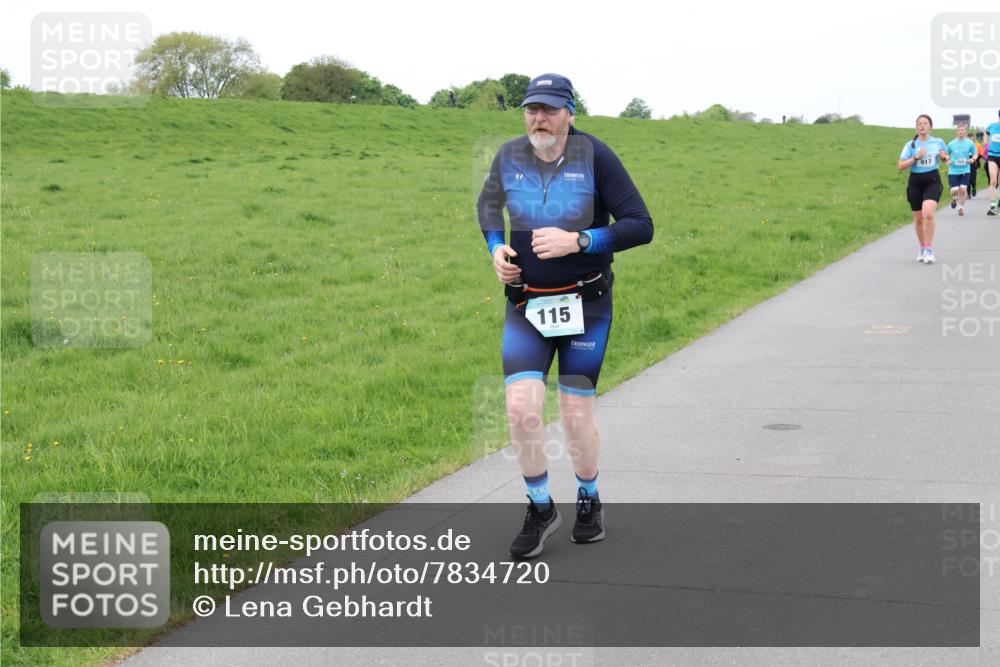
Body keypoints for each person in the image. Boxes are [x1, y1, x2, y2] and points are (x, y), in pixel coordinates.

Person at [477, 73, 653, 558]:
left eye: (550, 109)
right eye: (532, 109)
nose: (540, 118)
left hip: (586, 305)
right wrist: (497, 248)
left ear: (569, 114)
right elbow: (488, 206)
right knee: (520, 409)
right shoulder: (510, 155)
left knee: (575, 415)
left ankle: (589, 498)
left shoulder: (596, 156)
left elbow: (641, 225)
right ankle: (539, 506)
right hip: (527, 304)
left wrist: (580, 240)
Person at [898, 114, 948, 264]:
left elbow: (946, 158)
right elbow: (900, 166)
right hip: (915, 182)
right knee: (919, 219)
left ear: (930, 127)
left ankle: (929, 249)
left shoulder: (938, 142)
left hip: (932, 180)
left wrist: (945, 158)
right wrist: (915, 158)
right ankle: (922, 248)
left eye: (925, 123)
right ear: (916, 127)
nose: (922, 126)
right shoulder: (911, 145)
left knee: (928, 214)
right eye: (919, 124)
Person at [946, 123, 977, 217]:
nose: (960, 132)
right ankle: (955, 198)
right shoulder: (951, 143)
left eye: (962, 130)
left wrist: (973, 159)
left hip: (965, 169)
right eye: (959, 130)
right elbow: (946, 155)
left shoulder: (970, 143)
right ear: (957, 131)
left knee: (963, 189)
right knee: (954, 190)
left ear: (965, 131)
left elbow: (975, 153)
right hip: (953, 171)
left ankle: (960, 207)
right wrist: (948, 160)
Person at [986, 110, 1000, 216]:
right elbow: (986, 132)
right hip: (993, 156)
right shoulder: (992, 126)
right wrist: (986, 142)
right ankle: (993, 205)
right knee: (993, 180)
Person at [971, 131, 985, 198]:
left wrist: (975, 159)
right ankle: (968, 193)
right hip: (967, 163)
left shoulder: (978, 145)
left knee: (973, 177)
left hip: (975, 163)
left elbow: (981, 155)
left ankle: (973, 187)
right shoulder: (966, 145)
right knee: (967, 178)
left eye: (972, 138)